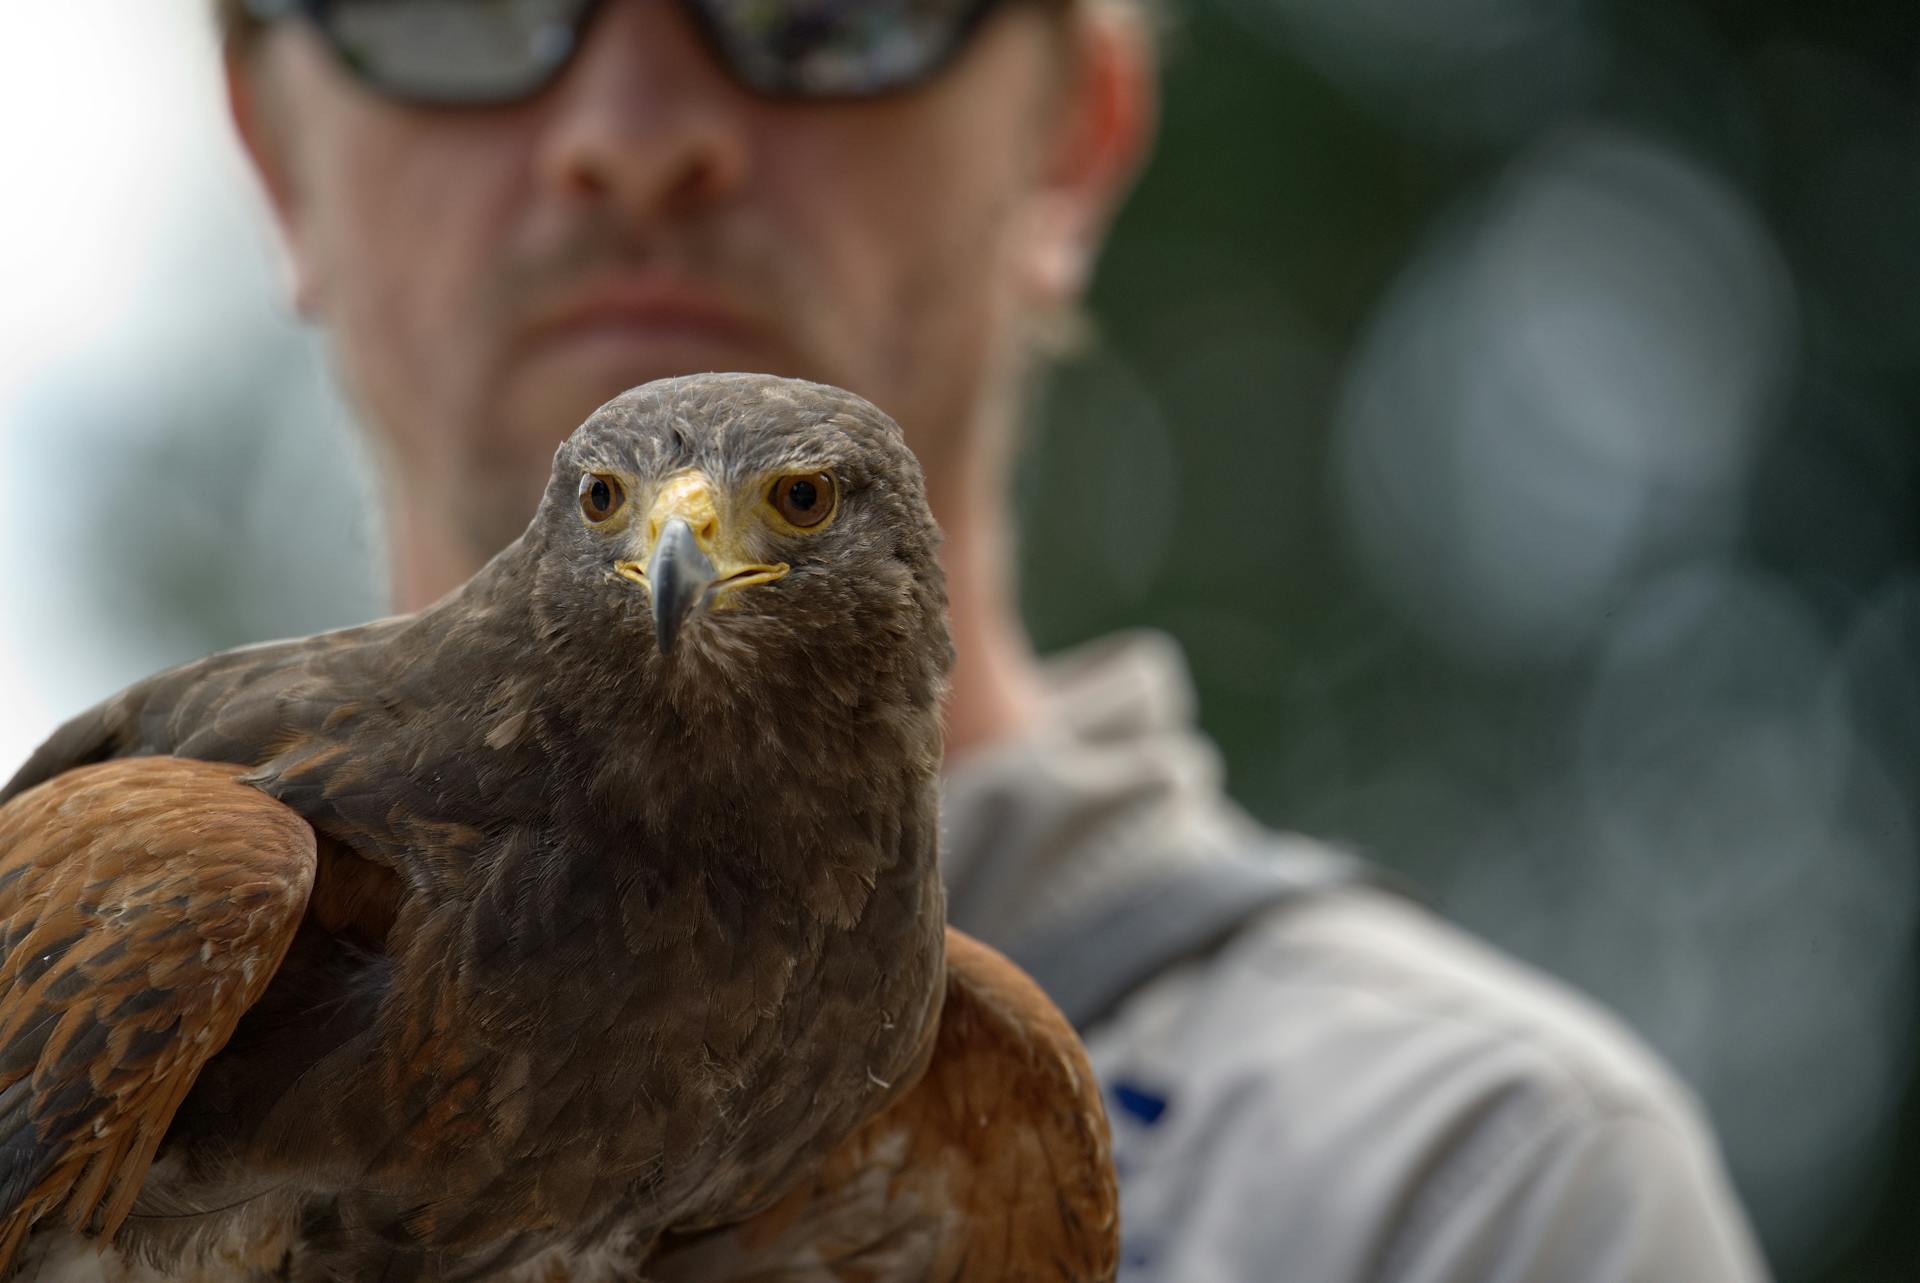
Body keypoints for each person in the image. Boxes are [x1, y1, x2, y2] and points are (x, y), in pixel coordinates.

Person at [216, 0, 1770, 1277]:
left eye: (814, 18)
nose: (636, 141)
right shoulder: (116, 959)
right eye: (469, 16)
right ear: (274, 156)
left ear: (1071, 150)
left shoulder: (1470, 1183)